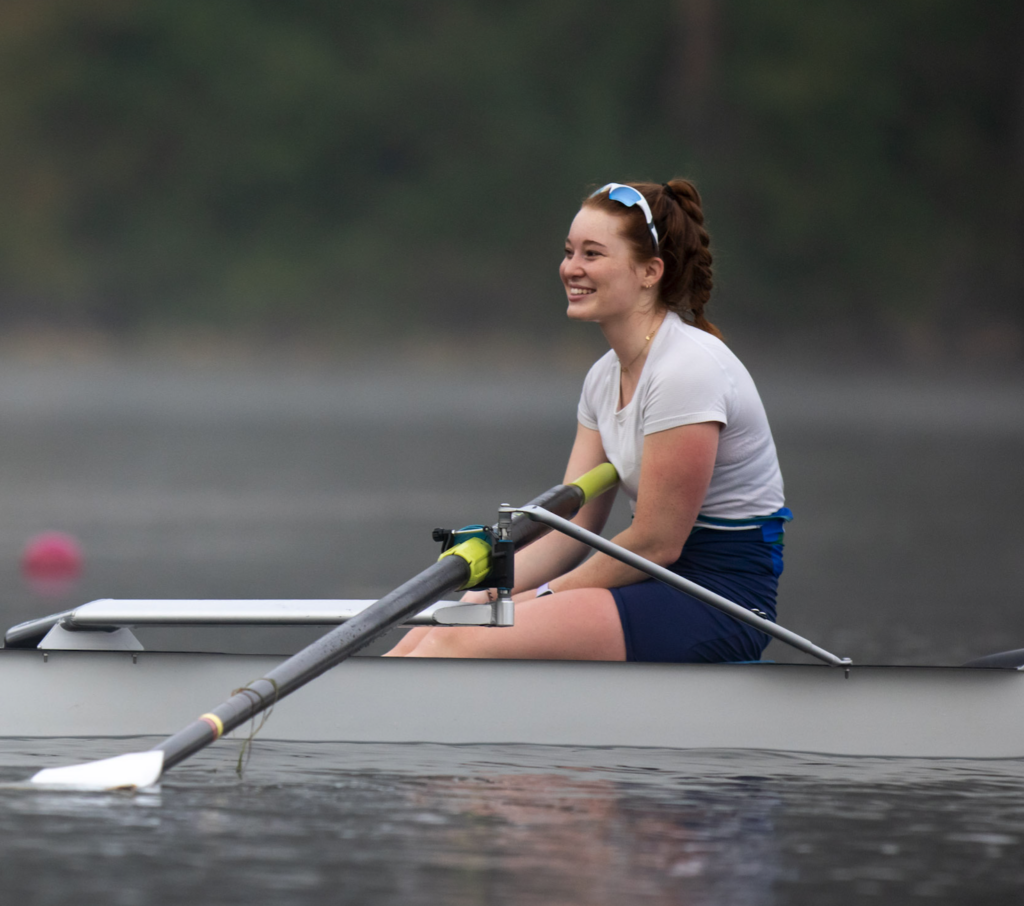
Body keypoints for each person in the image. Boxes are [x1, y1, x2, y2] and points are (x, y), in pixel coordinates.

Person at [386, 179, 789, 662]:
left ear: (650, 271)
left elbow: (656, 544)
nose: (570, 268)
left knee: (456, 639)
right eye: (569, 251)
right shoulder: (603, 377)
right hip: (651, 580)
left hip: (720, 599)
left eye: (592, 254)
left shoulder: (687, 370)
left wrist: (542, 598)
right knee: (437, 627)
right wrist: (489, 592)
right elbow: (570, 529)